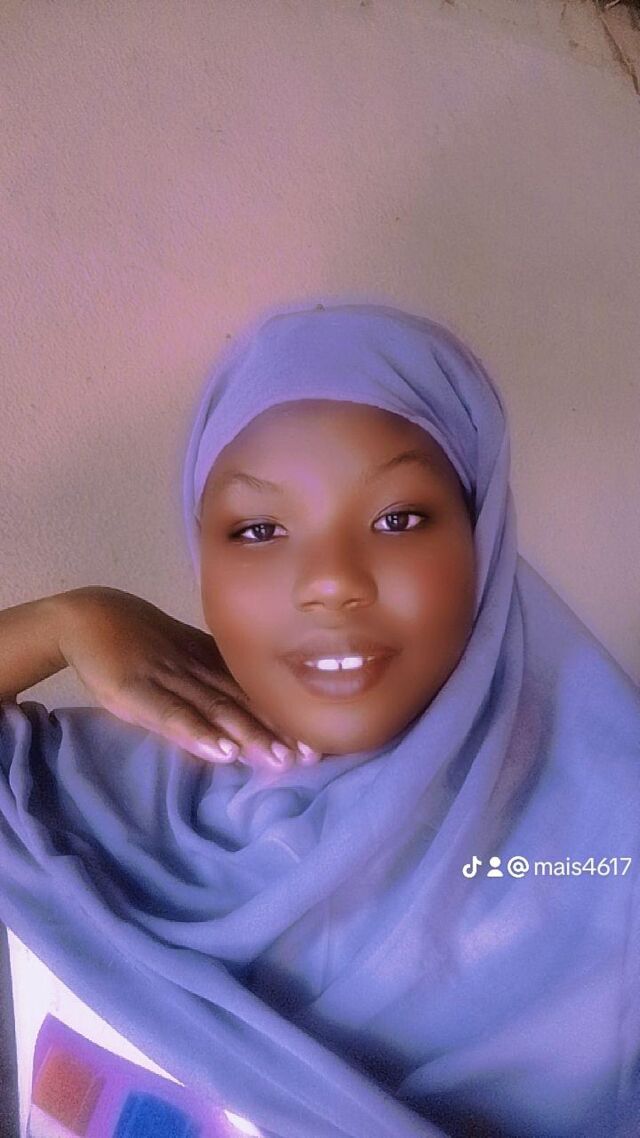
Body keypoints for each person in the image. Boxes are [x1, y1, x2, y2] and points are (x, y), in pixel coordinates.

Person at [0, 300, 638, 1138]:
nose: (332, 581)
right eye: (260, 529)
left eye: (397, 520)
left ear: (482, 540)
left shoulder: (609, 848)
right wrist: (63, 622)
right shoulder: (88, 800)